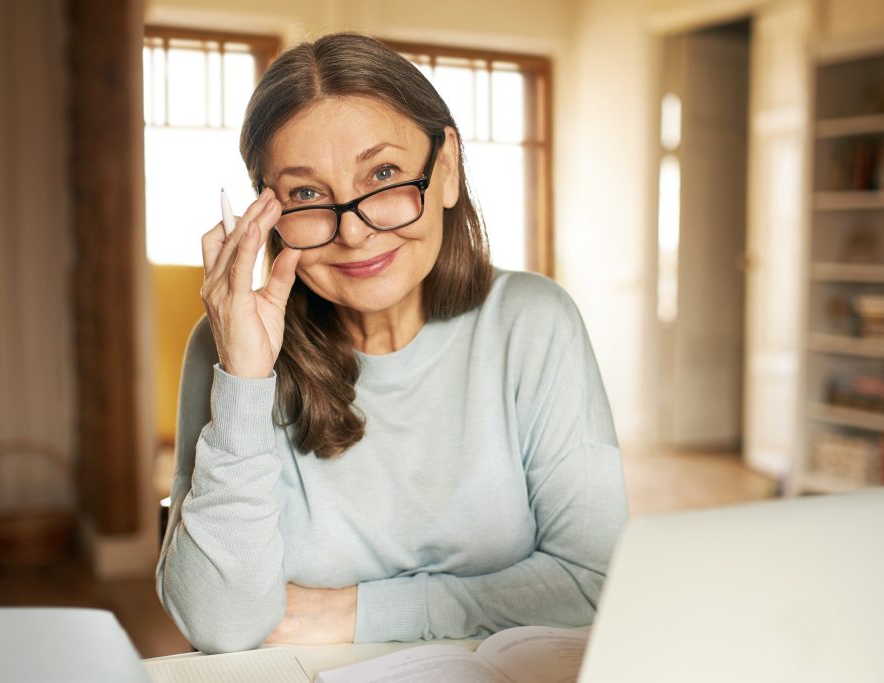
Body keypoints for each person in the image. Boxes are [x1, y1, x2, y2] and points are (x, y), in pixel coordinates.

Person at [156, 32, 629, 655]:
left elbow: (596, 585)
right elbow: (219, 626)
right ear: (266, 213)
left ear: (448, 168)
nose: (353, 232)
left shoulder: (534, 323)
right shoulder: (227, 348)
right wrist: (244, 383)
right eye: (306, 194)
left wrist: (359, 613)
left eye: (383, 174)